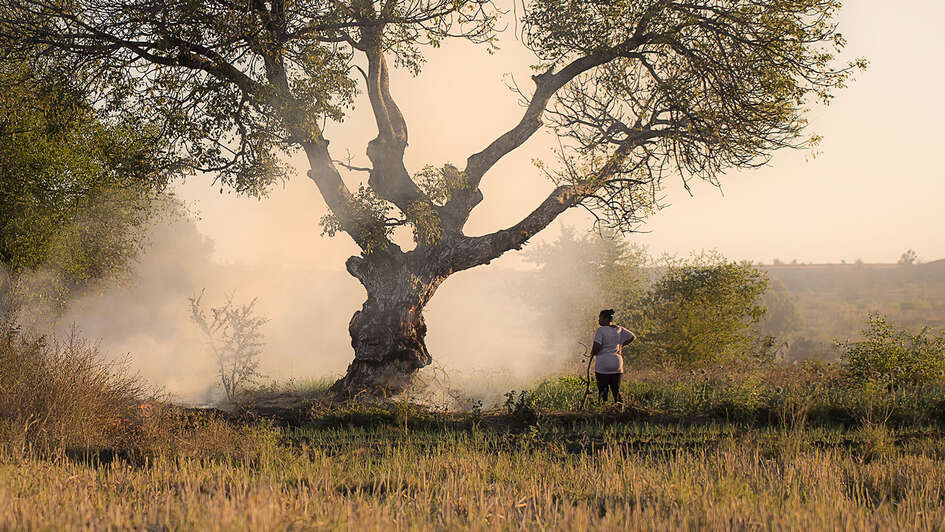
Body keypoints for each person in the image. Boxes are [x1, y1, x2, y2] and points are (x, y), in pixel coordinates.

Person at [590, 309, 635, 405]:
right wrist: (621, 345)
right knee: (616, 390)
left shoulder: (600, 330)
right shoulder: (619, 329)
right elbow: (632, 337)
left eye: (600, 318)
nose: (598, 321)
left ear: (606, 319)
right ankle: (620, 410)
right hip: (617, 364)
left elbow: (597, 346)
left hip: (603, 364)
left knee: (603, 391)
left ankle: (603, 409)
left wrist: (592, 353)